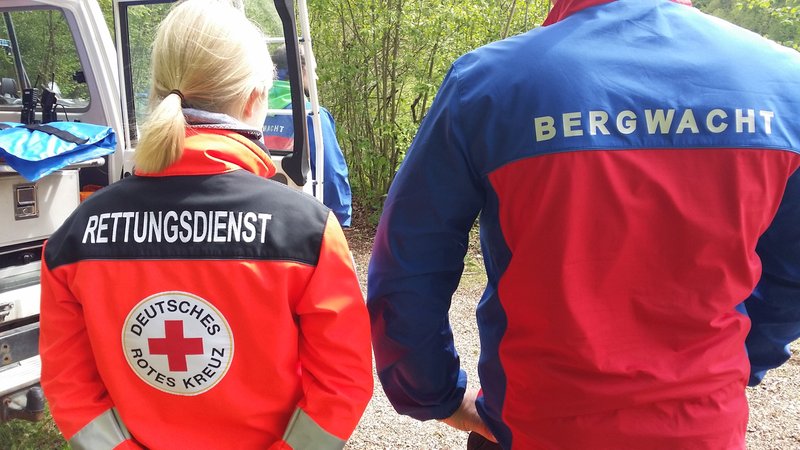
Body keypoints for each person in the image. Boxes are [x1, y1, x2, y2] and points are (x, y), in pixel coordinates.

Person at [367, 0, 800, 449]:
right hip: (703, 427)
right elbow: (793, 277)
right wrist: (734, 364)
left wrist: (434, 394)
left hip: (533, 425)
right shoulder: (785, 84)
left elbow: (409, 262)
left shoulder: (490, 83)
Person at [39, 1, 372, 449]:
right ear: (255, 98)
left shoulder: (75, 236)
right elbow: (343, 384)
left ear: (156, 93)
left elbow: (68, 385)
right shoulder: (306, 231)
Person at [264, 45, 353, 227]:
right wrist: (340, 217)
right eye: (313, 70)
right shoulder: (312, 116)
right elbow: (330, 171)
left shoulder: (252, 110)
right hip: (301, 218)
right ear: (301, 69)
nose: (316, 77)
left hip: (258, 214)